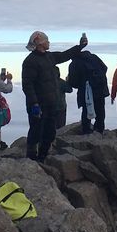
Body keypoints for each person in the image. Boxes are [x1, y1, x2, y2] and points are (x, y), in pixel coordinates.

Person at [21, 31, 87, 160]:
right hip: (38, 105)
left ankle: (43, 156)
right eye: (47, 40)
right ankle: (31, 157)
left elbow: (65, 55)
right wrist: (34, 104)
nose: (49, 42)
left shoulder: (49, 57)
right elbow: (28, 85)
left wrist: (80, 46)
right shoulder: (30, 61)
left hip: (51, 103)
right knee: (36, 130)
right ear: (39, 42)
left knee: (50, 132)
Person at [67, 49, 109, 134]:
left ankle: (86, 130)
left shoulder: (74, 63)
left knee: (87, 110)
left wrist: (71, 81)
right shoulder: (94, 57)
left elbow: (73, 82)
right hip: (100, 88)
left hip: (86, 91)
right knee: (100, 110)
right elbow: (104, 68)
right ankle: (99, 129)